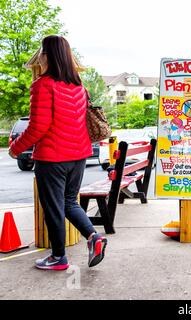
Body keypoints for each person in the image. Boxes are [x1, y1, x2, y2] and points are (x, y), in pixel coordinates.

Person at [8, 35, 107, 270]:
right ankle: (94, 237)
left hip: (52, 158)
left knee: (53, 207)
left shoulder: (43, 85)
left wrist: (15, 149)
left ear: (47, 55)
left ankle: (58, 257)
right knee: (69, 202)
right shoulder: (78, 86)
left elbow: (38, 126)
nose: (39, 55)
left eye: (42, 51)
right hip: (79, 156)